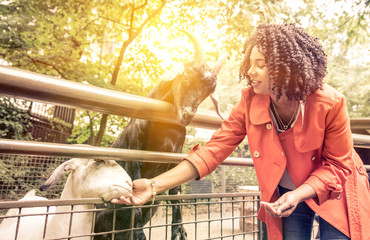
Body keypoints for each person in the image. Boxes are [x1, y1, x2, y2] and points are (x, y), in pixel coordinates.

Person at [112, 23, 370, 240]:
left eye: (260, 64)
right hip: (286, 193)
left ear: (284, 68)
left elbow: (338, 164)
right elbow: (212, 151)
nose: (249, 70)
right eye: (250, 62)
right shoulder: (249, 101)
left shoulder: (331, 102)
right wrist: (154, 185)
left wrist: (300, 193)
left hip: (336, 187)